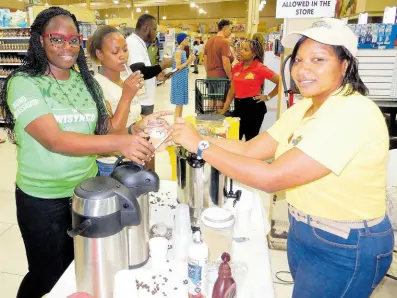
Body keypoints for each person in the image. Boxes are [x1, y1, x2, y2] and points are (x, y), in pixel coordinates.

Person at [168, 18, 393, 298]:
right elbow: (251, 150)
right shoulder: (306, 108)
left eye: (318, 59)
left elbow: (272, 178)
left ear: (345, 65)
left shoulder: (352, 113)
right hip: (305, 230)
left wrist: (200, 145)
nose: (303, 69)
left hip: (345, 243)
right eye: (298, 60)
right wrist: (192, 134)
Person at [0, 7, 170, 298]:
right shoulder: (23, 84)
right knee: (47, 275)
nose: (67, 47)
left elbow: (104, 132)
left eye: (73, 40)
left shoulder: (84, 82)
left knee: (81, 269)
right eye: (57, 39)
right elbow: (55, 140)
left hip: (87, 194)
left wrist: (137, 129)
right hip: (43, 200)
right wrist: (120, 144)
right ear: (40, 40)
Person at [220, 38, 279, 141]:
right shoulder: (237, 67)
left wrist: (268, 96)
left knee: (250, 141)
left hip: (253, 108)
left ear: (254, 54)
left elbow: (280, 82)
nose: (241, 51)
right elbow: (232, 90)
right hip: (238, 107)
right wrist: (224, 109)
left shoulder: (260, 68)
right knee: (234, 139)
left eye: (246, 49)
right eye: (241, 48)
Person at [126, 14, 173, 117]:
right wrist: (162, 65)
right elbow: (140, 71)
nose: (156, 33)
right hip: (140, 101)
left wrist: (156, 75)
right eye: (155, 29)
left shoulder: (140, 43)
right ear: (146, 28)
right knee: (143, 131)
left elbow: (143, 71)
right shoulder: (133, 43)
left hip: (145, 99)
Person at [171, 33, 195, 121]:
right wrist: (188, 61)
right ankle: (176, 124)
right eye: (186, 39)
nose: (187, 40)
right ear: (181, 40)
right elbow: (178, 68)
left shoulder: (183, 51)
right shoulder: (178, 52)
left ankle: (179, 122)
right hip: (178, 80)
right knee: (178, 104)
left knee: (180, 104)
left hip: (183, 79)